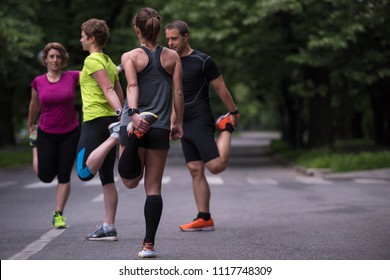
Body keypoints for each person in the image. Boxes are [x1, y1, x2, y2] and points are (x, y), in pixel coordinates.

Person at [118, 7, 184, 258]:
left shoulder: (130, 56)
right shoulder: (172, 57)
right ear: (157, 29)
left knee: (129, 181)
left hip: (134, 122)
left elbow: (132, 85)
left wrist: (133, 114)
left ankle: (134, 139)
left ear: (137, 30)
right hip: (159, 126)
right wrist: (179, 124)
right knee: (153, 187)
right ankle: (148, 245)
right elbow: (178, 93)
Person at [165, 20, 240, 232]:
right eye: (168, 39)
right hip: (183, 121)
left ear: (186, 36)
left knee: (215, 166)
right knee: (194, 168)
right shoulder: (169, 62)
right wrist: (172, 121)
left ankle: (225, 126)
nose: (170, 43)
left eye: (174, 38)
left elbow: (221, 87)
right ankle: (204, 216)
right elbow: (175, 95)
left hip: (200, 117)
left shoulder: (203, 60)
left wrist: (233, 112)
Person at [76, 18, 124, 241]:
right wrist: (124, 114)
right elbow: (118, 93)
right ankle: (109, 226)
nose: (80, 39)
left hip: (96, 120)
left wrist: (120, 121)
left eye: (83, 36)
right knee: (106, 177)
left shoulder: (92, 61)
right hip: (110, 121)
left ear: (92, 38)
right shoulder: (109, 62)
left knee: (84, 172)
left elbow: (107, 89)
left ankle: (114, 138)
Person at [27, 42, 80, 229]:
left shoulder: (73, 77)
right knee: (45, 176)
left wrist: (119, 68)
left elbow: (96, 73)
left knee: (64, 175)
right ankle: (35, 149)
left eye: (58, 56)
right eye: (51, 56)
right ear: (46, 59)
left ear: (63, 59)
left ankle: (58, 214)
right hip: (46, 133)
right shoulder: (38, 82)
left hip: (70, 132)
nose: (55, 60)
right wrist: (30, 125)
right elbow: (34, 105)